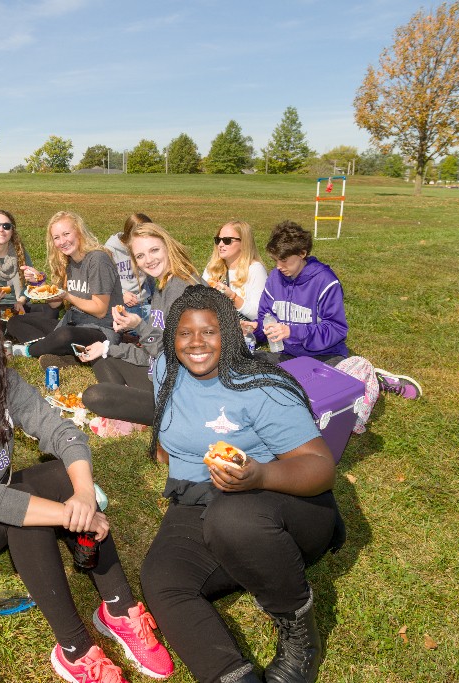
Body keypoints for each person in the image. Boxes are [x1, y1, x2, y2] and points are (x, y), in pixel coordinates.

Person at [0, 287, 174, 683]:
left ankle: (118, 609)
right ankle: (74, 648)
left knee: (59, 476)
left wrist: (84, 495)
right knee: (23, 505)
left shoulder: (0, 378)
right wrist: (70, 516)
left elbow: (59, 431)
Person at [140, 285, 343, 683]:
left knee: (231, 517)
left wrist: (259, 475)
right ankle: (233, 675)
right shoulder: (166, 368)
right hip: (199, 503)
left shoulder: (260, 386)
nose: (196, 342)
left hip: (284, 510)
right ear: (172, 336)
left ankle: (301, 636)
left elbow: (321, 467)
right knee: (162, 581)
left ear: (229, 334)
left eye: (209, 331)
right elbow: (171, 432)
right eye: (185, 332)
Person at [80, 222, 203, 428]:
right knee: (102, 355)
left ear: (168, 246)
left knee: (95, 396)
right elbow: (152, 353)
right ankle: (129, 409)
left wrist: (139, 326)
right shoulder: (163, 285)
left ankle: (133, 414)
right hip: (157, 375)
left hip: (178, 393)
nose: (149, 260)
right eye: (140, 256)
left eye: (154, 250)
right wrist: (108, 348)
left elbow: (174, 354)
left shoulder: (183, 289)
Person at [5, 211, 124, 368]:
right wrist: (40, 284)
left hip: (102, 330)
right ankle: (64, 353)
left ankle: (28, 350)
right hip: (73, 323)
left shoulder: (97, 260)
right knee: (15, 322)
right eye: (56, 237)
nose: (62, 241)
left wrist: (67, 295)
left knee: (64, 335)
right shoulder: (68, 261)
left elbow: (100, 310)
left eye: (66, 234)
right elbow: (55, 304)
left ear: (79, 232)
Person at [254, 220, 349, 366]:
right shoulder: (274, 278)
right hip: (287, 354)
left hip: (324, 356)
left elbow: (336, 329)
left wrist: (293, 332)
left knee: (315, 383)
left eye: (284, 260)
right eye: (275, 260)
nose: (278, 266)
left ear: (302, 253)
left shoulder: (325, 281)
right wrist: (255, 328)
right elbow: (266, 318)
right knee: (248, 362)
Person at [203, 220, 268, 322]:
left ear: (243, 243)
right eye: (218, 240)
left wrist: (233, 297)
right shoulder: (213, 267)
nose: (220, 244)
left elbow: (258, 314)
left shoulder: (255, 269)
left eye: (227, 240)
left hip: (244, 334)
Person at [104, 213, 150, 317]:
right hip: (120, 303)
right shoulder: (110, 250)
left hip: (143, 301)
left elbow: (150, 276)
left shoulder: (146, 248)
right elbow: (104, 281)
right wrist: (122, 294)